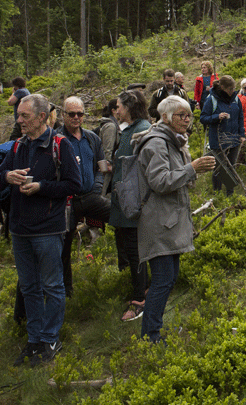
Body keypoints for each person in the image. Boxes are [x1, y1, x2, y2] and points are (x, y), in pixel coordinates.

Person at [0, 94, 82, 366]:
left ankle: (50, 338)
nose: (19, 121)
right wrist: (7, 177)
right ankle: (34, 340)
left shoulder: (59, 145)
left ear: (41, 117)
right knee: (29, 287)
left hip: (48, 229)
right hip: (19, 229)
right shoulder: (17, 147)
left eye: (24, 116)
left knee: (53, 285)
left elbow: (74, 185)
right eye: (18, 115)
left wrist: (41, 188)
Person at [138, 96, 216, 342]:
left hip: (169, 220)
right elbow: (160, 181)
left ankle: (154, 329)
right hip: (158, 221)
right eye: (181, 115)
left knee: (168, 278)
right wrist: (192, 167)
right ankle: (150, 336)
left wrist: (192, 168)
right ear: (165, 117)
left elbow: (180, 179)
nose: (187, 120)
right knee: (162, 279)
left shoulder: (174, 142)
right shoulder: (157, 144)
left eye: (189, 115)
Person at [56, 96, 111, 297]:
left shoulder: (91, 138)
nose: (76, 117)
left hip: (90, 196)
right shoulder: (56, 139)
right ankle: (65, 291)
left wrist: (97, 186)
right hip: (67, 202)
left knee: (121, 218)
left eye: (80, 113)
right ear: (63, 115)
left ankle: (126, 268)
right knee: (63, 245)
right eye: (71, 114)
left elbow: (101, 164)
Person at [106, 89, 151, 322]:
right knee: (131, 248)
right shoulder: (130, 130)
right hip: (125, 201)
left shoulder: (142, 130)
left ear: (129, 107)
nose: (117, 110)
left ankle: (140, 300)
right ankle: (143, 289)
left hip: (134, 202)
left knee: (136, 251)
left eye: (119, 107)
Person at [200, 75, 245, 195]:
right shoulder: (212, 100)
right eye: (230, 89)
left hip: (234, 139)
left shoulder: (236, 99)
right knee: (219, 168)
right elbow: (203, 118)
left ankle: (230, 193)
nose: (232, 92)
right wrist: (216, 117)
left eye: (234, 89)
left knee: (231, 167)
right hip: (218, 140)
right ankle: (217, 194)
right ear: (223, 87)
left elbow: (240, 117)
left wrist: (242, 134)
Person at [95, 99, 120, 165]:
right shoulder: (110, 126)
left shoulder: (114, 124)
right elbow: (107, 150)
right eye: (118, 108)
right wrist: (107, 164)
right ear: (113, 111)